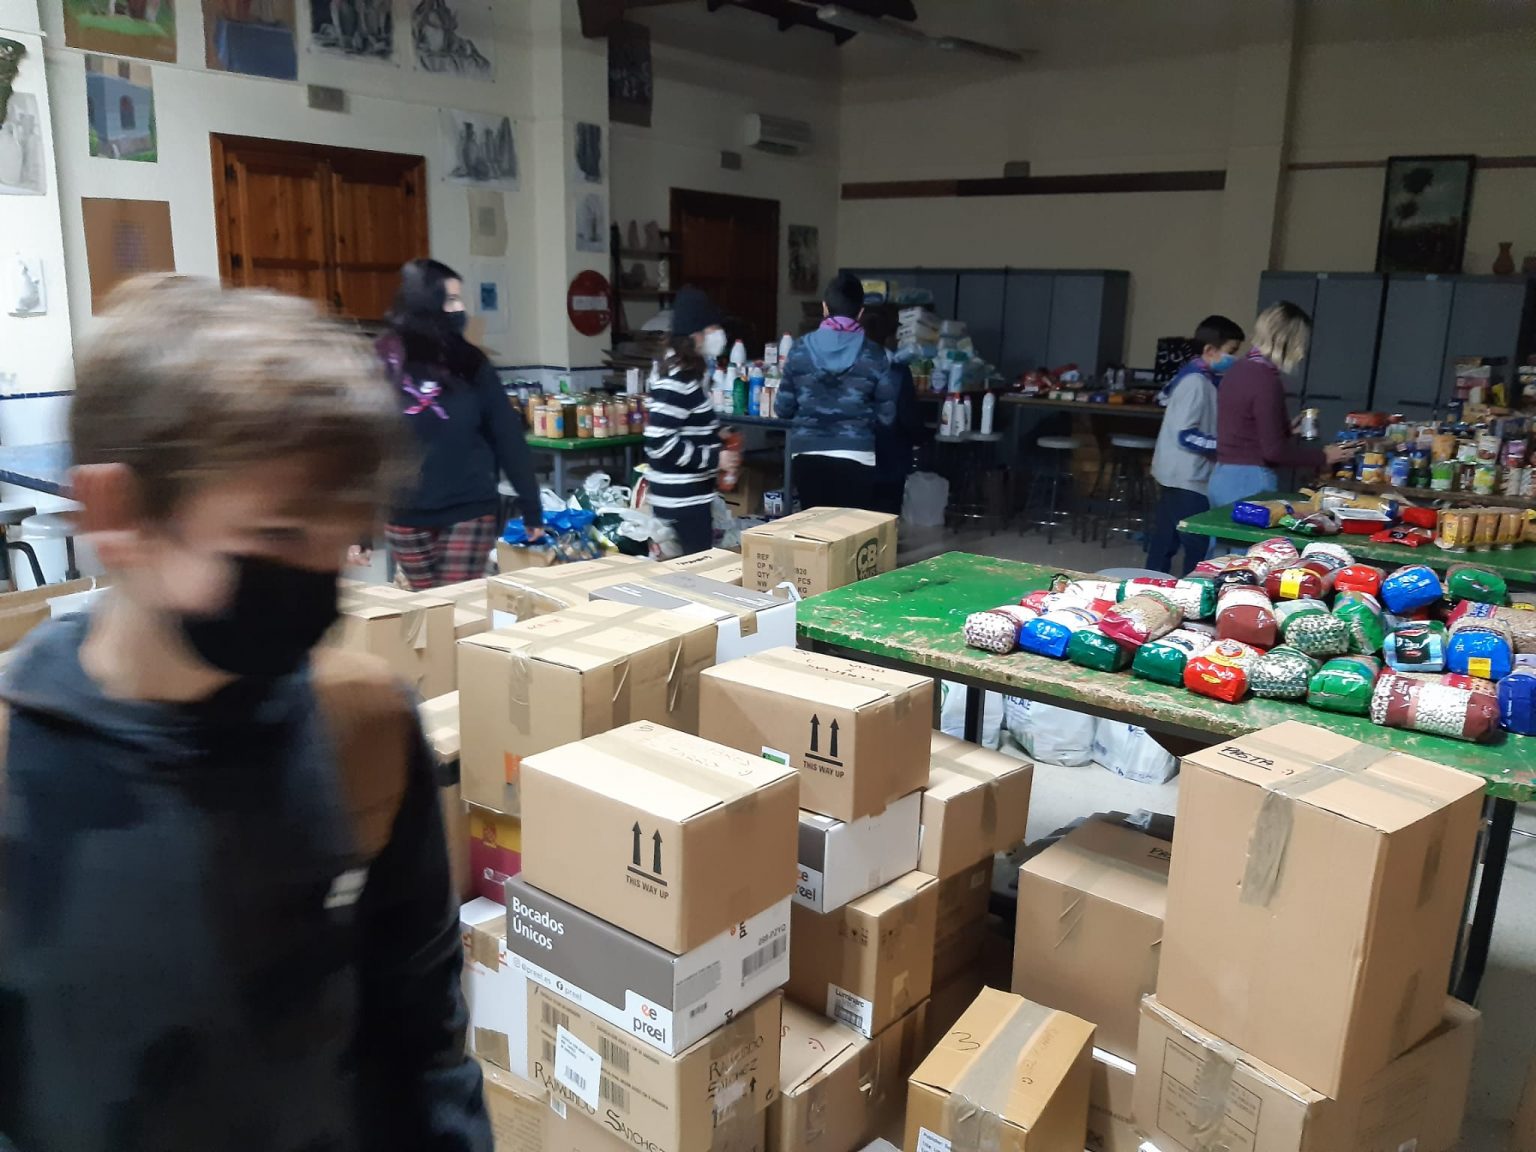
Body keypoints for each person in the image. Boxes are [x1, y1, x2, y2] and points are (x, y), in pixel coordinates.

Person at [0, 275, 490, 1151]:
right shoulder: (13, 767)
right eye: (277, 536)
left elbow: (425, 1045)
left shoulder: (364, 729)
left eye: (342, 542)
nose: (317, 590)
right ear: (119, 515)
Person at [375, 258, 543, 590]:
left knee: (455, 601)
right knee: (430, 606)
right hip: (404, 512)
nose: (460, 309)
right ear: (425, 303)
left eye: (459, 299)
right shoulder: (385, 362)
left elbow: (507, 436)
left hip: (470, 508)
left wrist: (531, 506)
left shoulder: (472, 363)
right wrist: (356, 529)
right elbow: (363, 442)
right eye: (450, 300)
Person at [1210, 300, 1353, 510]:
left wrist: (1284, 430)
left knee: (1220, 532)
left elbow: (1243, 430)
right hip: (1249, 481)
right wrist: (1324, 456)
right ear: (1288, 342)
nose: (1302, 352)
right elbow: (1274, 452)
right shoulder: (1266, 380)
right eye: (1300, 343)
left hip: (1221, 477)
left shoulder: (1237, 370)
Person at [776, 271, 896, 511]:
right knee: (851, 530)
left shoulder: (798, 350)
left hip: (807, 454)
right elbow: (887, 416)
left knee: (814, 530)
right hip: (857, 454)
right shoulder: (875, 354)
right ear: (860, 313)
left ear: (824, 308)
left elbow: (783, 408)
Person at [1145, 314, 1245, 575]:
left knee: (1165, 541)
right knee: (1197, 545)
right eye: (1232, 351)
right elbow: (1186, 435)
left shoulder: (1199, 377)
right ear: (1210, 350)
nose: (1234, 358)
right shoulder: (1195, 383)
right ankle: (1193, 590)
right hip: (1188, 478)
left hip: (1176, 474)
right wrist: (1226, 446)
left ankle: (1150, 583)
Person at [644, 286, 726, 555]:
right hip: (682, 502)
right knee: (694, 573)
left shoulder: (686, 374)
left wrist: (715, 435)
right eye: (712, 329)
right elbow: (659, 441)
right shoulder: (677, 380)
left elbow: (682, 425)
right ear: (695, 335)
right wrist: (715, 458)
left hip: (688, 498)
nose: (717, 334)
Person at [860, 302, 924, 516]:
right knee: (884, 519)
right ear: (890, 336)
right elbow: (908, 417)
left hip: (853, 458)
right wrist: (921, 437)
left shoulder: (846, 365)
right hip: (889, 461)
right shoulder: (896, 371)